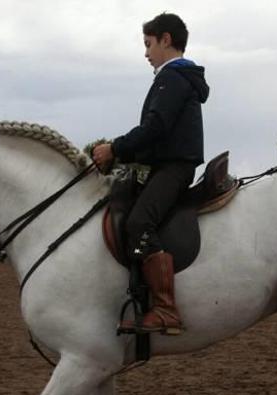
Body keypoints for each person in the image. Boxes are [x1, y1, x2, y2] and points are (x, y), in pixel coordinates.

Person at [92, 12, 209, 334]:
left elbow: (155, 128)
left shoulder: (172, 77)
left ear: (166, 40)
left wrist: (115, 148)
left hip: (174, 167)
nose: (145, 53)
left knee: (140, 221)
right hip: (167, 163)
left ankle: (166, 310)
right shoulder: (176, 78)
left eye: (148, 44)